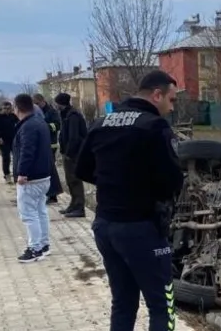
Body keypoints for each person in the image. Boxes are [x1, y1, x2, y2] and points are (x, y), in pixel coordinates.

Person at [76, 70, 183, 330]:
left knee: (123, 303)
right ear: (156, 95)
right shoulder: (154, 126)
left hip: (105, 226)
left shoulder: (102, 123)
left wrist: (115, 184)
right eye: (171, 99)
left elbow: (81, 169)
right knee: (162, 306)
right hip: (142, 228)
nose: (172, 106)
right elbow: (172, 180)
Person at [13, 93, 53, 263]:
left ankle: (35, 248)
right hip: (44, 175)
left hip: (31, 178)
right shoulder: (40, 122)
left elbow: (27, 151)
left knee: (29, 214)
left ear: (18, 107)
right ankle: (44, 245)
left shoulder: (27, 126)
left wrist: (22, 172)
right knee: (40, 211)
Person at [54, 93, 88, 218]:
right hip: (67, 152)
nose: (55, 105)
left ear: (61, 103)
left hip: (73, 154)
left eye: (56, 103)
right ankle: (73, 204)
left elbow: (74, 137)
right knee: (70, 180)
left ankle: (79, 207)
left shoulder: (73, 116)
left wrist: (69, 152)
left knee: (75, 180)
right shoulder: (66, 115)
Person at [33, 93, 63, 204]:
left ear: (42, 101)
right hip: (41, 144)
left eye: (37, 103)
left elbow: (57, 125)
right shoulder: (36, 112)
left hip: (51, 144)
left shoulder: (51, 111)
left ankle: (53, 195)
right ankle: (45, 194)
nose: (36, 105)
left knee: (50, 170)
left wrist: (45, 126)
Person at [0, 101, 20, 184]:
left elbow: (19, 125)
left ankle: (17, 174)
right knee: (6, 158)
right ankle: (7, 175)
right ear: (2, 108)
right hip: (3, 141)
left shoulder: (13, 116)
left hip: (13, 140)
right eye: (5, 109)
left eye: (9, 109)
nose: (7, 110)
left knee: (17, 158)